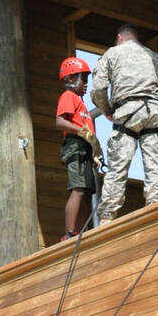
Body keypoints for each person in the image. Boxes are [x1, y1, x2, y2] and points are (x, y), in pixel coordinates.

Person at [91, 25, 158, 226]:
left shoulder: (113, 54)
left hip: (126, 111)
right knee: (156, 166)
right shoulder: (155, 57)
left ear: (119, 38)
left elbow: (98, 89)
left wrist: (108, 111)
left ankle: (107, 220)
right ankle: (157, 212)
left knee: (118, 166)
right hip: (154, 111)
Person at [55, 57, 104, 243]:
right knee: (78, 189)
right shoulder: (68, 96)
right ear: (69, 79)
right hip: (75, 145)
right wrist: (84, 133)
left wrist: (94, 149)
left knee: (86, 190)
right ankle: (69, 233)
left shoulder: (81, 104)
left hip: (84, 147)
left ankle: (80, 233)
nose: (85, 83)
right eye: (82, 79)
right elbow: (60, 122)